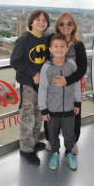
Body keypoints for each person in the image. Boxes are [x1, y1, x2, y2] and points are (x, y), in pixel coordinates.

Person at [9, 9, 50, 165]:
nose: (41, 22)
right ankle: (26, 150)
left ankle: (32, 142)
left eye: (44, 20)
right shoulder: (24, 39)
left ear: (47, 24)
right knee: (28, 117)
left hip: (42, 86)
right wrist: (33, 72)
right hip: (27, 84)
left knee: (39, 115)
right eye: (38, 19)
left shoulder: (46, 40)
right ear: (31, 22)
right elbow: (15, 61)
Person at [38, 34, 82, 171]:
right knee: (52, 134)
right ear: (50, 49)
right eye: (56, 46)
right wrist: (43, 109)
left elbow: (76, 84)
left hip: (69, 108)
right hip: (52, 110)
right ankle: (55, 153)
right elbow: (43, 89)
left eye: (62, 46)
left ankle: (69, 153)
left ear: (67, 48)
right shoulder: (46, 67)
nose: (59, 49)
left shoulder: (71, 64)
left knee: (69, 134)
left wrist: (77, 102)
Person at [46, 11, 87, 155]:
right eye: (62, 23)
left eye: (69, 23)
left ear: (74, 26)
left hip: (71, 87)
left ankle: (72, 141)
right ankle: (52, 141)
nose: (66, 26)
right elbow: (44, 61)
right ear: (58, 25)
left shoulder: (78, 45)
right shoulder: (51, 39)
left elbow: (82, 68)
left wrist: (67, 80)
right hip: (53, 88)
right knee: (52, 116)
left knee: (74, 116)